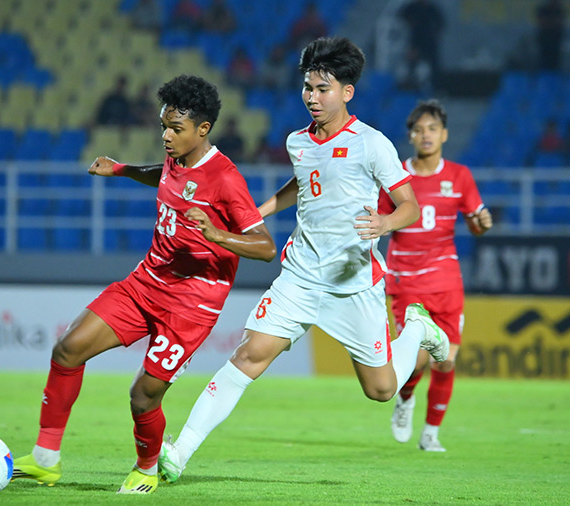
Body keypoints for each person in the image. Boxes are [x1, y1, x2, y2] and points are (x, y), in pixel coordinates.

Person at [157, 37, 450, 483]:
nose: (312, 97)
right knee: (248, 356)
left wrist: (385, 224)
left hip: (353, 284)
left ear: (346, 92)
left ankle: (417, 330)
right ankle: (179, 453)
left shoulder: (371, 144)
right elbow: (304, 182)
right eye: (308, 88)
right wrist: (258, 212)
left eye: (322, 89)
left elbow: (409, 205)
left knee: (381, 390)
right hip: (300, 277)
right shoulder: (298, 141)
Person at [12, 75, 276, 494]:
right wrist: (122, 169)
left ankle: (147, 468)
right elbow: (164, 176)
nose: (166, 136)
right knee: (68, 349)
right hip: (146, 282)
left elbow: (265, 247)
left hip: (191, 305)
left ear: (203, 129)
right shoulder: (176, 157)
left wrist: (217, 234)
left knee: (143, 395)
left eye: (175, 129)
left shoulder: (225, 178)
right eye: (163, 126)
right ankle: (45, 459)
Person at [379, 99, 493, 452]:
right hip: (406, 280)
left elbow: (476, 226)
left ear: (444, 134)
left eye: (432, 129)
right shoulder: (395, 175)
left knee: (446, 361)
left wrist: (483, 223)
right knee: (416, 360)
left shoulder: (459, 176)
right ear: (410, 137)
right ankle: (405, 399)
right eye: (419, 130)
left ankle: (430, 434)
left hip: (445, 279)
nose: (425, 135)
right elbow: (379, 223)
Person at [397, 0, 445, 91]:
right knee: (412, 63)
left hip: (429, 41)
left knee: (434, 65)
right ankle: (410, 84)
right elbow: (401, 16)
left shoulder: (432, 9)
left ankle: (436, 87)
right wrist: (409, 22)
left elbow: (441, 23)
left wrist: (437, 33)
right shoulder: (412, 8)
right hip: (415, 40)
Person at [534, 0, 566, 71]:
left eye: (555, 16)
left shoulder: (565, 40)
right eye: (548, 16)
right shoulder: (530, 42)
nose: (551, 21)